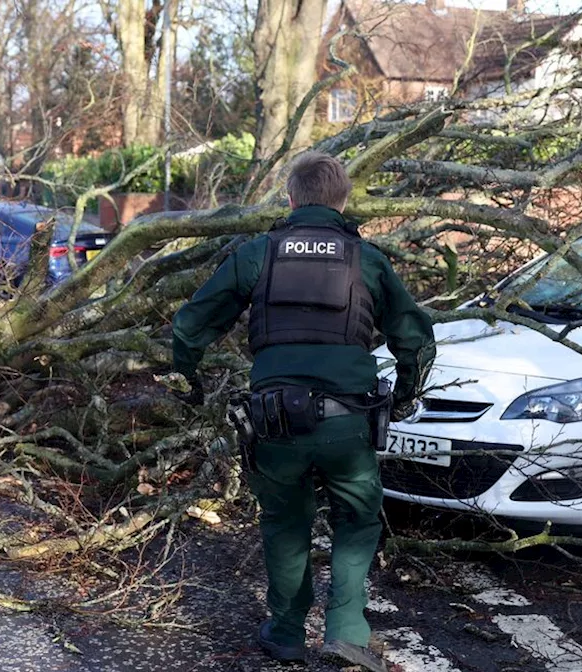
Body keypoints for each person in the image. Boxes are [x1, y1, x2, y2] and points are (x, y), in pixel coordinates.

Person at [169, 151, 436, 671]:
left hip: (274, 422)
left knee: (286, 523)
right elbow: (417, 339)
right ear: (342, 201)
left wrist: (191, 383)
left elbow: (189, 326)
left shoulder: (258, 254)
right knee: (357, 518)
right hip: (348, 423)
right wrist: (404, 394)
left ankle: (287, 632)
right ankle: (347, 632)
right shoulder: (367, 259)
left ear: (289, 199)